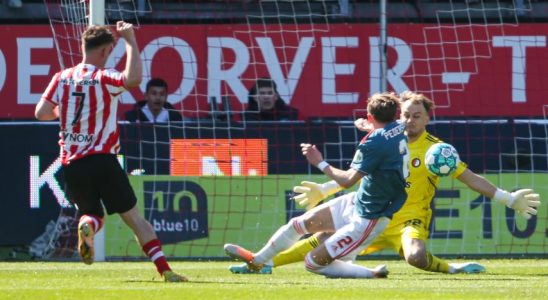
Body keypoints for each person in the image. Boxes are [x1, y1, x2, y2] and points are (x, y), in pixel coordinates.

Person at [229, 91, 541, 275]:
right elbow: (368, 162)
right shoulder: (389, 136)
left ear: (428, 118)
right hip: (370, 210)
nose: (411, 120)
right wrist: (324, 189)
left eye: (418, 115)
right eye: (407, 114)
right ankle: (263, 264)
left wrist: (507, 199)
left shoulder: (436, 151)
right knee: (317, 234)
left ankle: (453, 269)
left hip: (407, 220)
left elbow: (471, 179)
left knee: (416, 258)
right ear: (398, 116)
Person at [34, 21, 187, 282]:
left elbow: (41, 113)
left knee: (92, 213)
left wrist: (69, 114)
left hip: (72, 163)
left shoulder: (61, 78)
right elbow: (134, 79)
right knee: (135, 219)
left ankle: (88, 227)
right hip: (103, 160)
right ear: (105, 51)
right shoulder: (102, 77)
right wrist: (130, 41)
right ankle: (165, 270)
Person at [224, 92, 408, 278]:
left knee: (312, 263)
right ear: (395, 115)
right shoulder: (399, 127)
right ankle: (256, 262)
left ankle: (372, 274)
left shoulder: (374, 142)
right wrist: (368, 125)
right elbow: (387, 129)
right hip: (359, 201)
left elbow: (347, 181)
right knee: (299, 224)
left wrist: (319, 162)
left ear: (370, 116)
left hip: (370, 217)